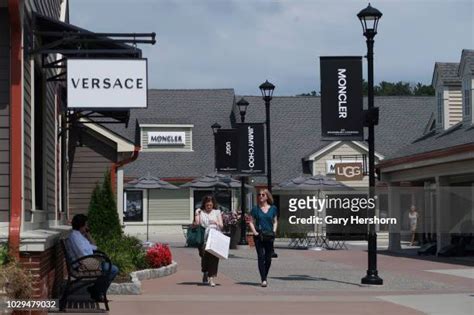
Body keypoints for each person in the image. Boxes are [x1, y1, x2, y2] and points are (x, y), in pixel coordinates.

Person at [69, 214, 119, 301]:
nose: (87, 227)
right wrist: (97, 259)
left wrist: (88, 235)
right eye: (86, 225)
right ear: (82, 225)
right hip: (81, 265)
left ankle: (96, 291)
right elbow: (81, 254)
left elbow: (95, 247)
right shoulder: (74, 237)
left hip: (87, 261)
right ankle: (96, 291)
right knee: (113, 269)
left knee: (111, 268)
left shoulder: (80, 236)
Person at [248, 189, 278, 287]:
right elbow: (251, 221)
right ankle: (263, 279)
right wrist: (255, 232)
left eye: (262, 194)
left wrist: (274, 231)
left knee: (268, 258)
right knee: (260, 257)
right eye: (259, 194)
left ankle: (265, 275)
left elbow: (275, 221)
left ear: (267, 197)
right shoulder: (255, 209)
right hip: (259, 236)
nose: (260, 196)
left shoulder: (273, 208)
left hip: (269, 235)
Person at [194, 195, 224, 287]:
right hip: (204, 238)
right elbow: (197, 224)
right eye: (207, 205)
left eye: (210, 205)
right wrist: (196, 214)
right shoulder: (200, 212)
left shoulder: (217, 212)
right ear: (204, 205)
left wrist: (216, 223)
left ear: (213, 204)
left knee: (214, 257)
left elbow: (221, 226)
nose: (209, 207)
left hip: (214, 237)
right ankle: (205, 272)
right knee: (204, 256)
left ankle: (211, 278)